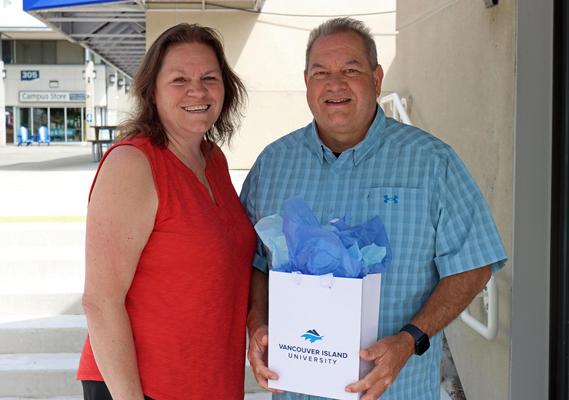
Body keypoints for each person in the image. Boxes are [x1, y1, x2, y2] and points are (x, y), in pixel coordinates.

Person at [241, 17, 507, 400]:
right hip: (299, 391)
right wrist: (257, 325)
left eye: (350, 69)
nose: (335, 84)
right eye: (321, 73)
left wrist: (410, 339)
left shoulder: (432, 162)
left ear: (376, 78)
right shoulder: (273, 164)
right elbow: (254, 262)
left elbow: (474, 263)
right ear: (306, 83)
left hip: (400, 391)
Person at [77, 23, 256, 399]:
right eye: (179, 79)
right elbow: (100, 300)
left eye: (210, 77)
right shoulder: (133, 164)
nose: (198, 90)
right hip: (141, 387)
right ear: (152, 93)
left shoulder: (212, 160)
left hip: (208, 385)